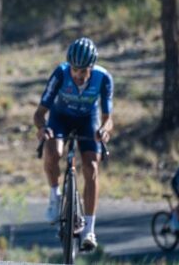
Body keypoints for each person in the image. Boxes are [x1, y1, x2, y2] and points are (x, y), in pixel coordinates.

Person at [33, 37, 114, 252]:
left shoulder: (103, 78)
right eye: (74, 70)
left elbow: (108, 117)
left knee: (91, 168)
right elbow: (40, 113)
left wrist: (105, 130)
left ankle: (89, 229)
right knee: (53, 152)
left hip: (88, 120)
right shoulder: (60, 73)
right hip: (60, 118)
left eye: (82, 70)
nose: (77, 75)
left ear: (91, 67)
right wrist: (42, 129)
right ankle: (55, 197)